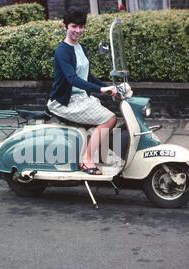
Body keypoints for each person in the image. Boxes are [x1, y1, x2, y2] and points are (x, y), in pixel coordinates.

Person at [47, 7, 117, 175]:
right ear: (65, 26)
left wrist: (109, 88)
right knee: (109, 119)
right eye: (74, 26)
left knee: (105, 117)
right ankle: (86, 159)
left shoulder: (81, 48)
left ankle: (95, 153)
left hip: (80, 98)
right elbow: (72, 79)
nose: (78, 30)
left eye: (81, 26)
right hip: (65, 101)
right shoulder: (62, 51)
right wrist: (100, 89)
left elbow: (86, 76)